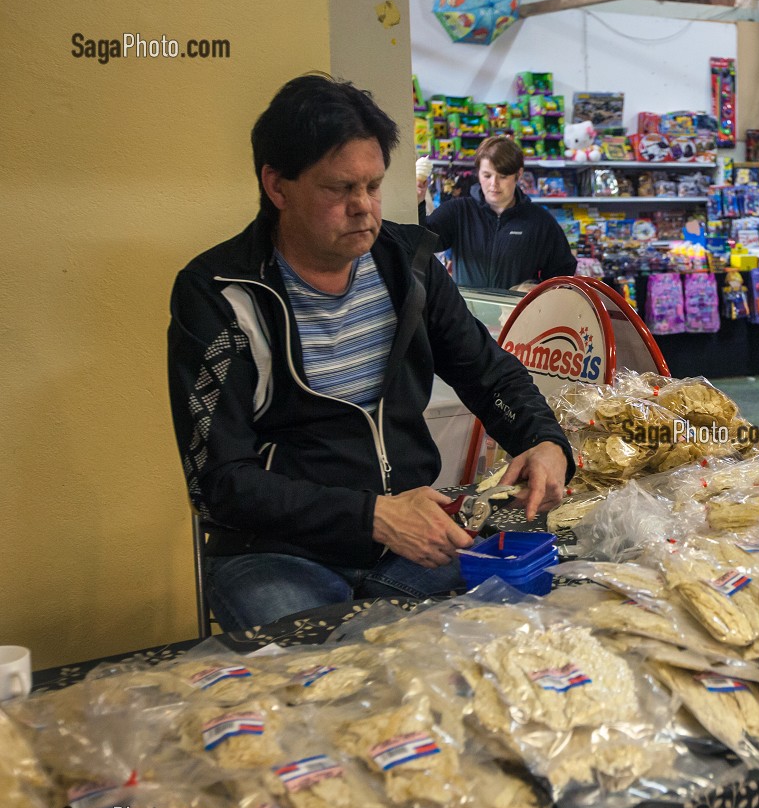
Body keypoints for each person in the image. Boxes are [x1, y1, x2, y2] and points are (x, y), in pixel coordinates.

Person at [168, 74, 574, 631]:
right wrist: (374, 516)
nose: (364, 208)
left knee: (525, 636)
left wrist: (543, 440)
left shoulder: (408, 266)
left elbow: (489, 372)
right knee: (329, 686)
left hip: (412, 543)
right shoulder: (218, 296)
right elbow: (219, 483)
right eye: (339, 189)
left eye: (374, 186)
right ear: (277, 186)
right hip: (279, 555)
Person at [417, 135, 575, 289]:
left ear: (518, 175)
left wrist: (539, 292)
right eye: (487, 175)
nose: (494, 184)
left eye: (503, 176)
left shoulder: (540, 221)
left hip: (517, 314)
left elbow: (563, 270)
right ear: (478, 173)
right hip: (465, 313)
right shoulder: (458, 211)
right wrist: (417, 203)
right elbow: (421, 242)